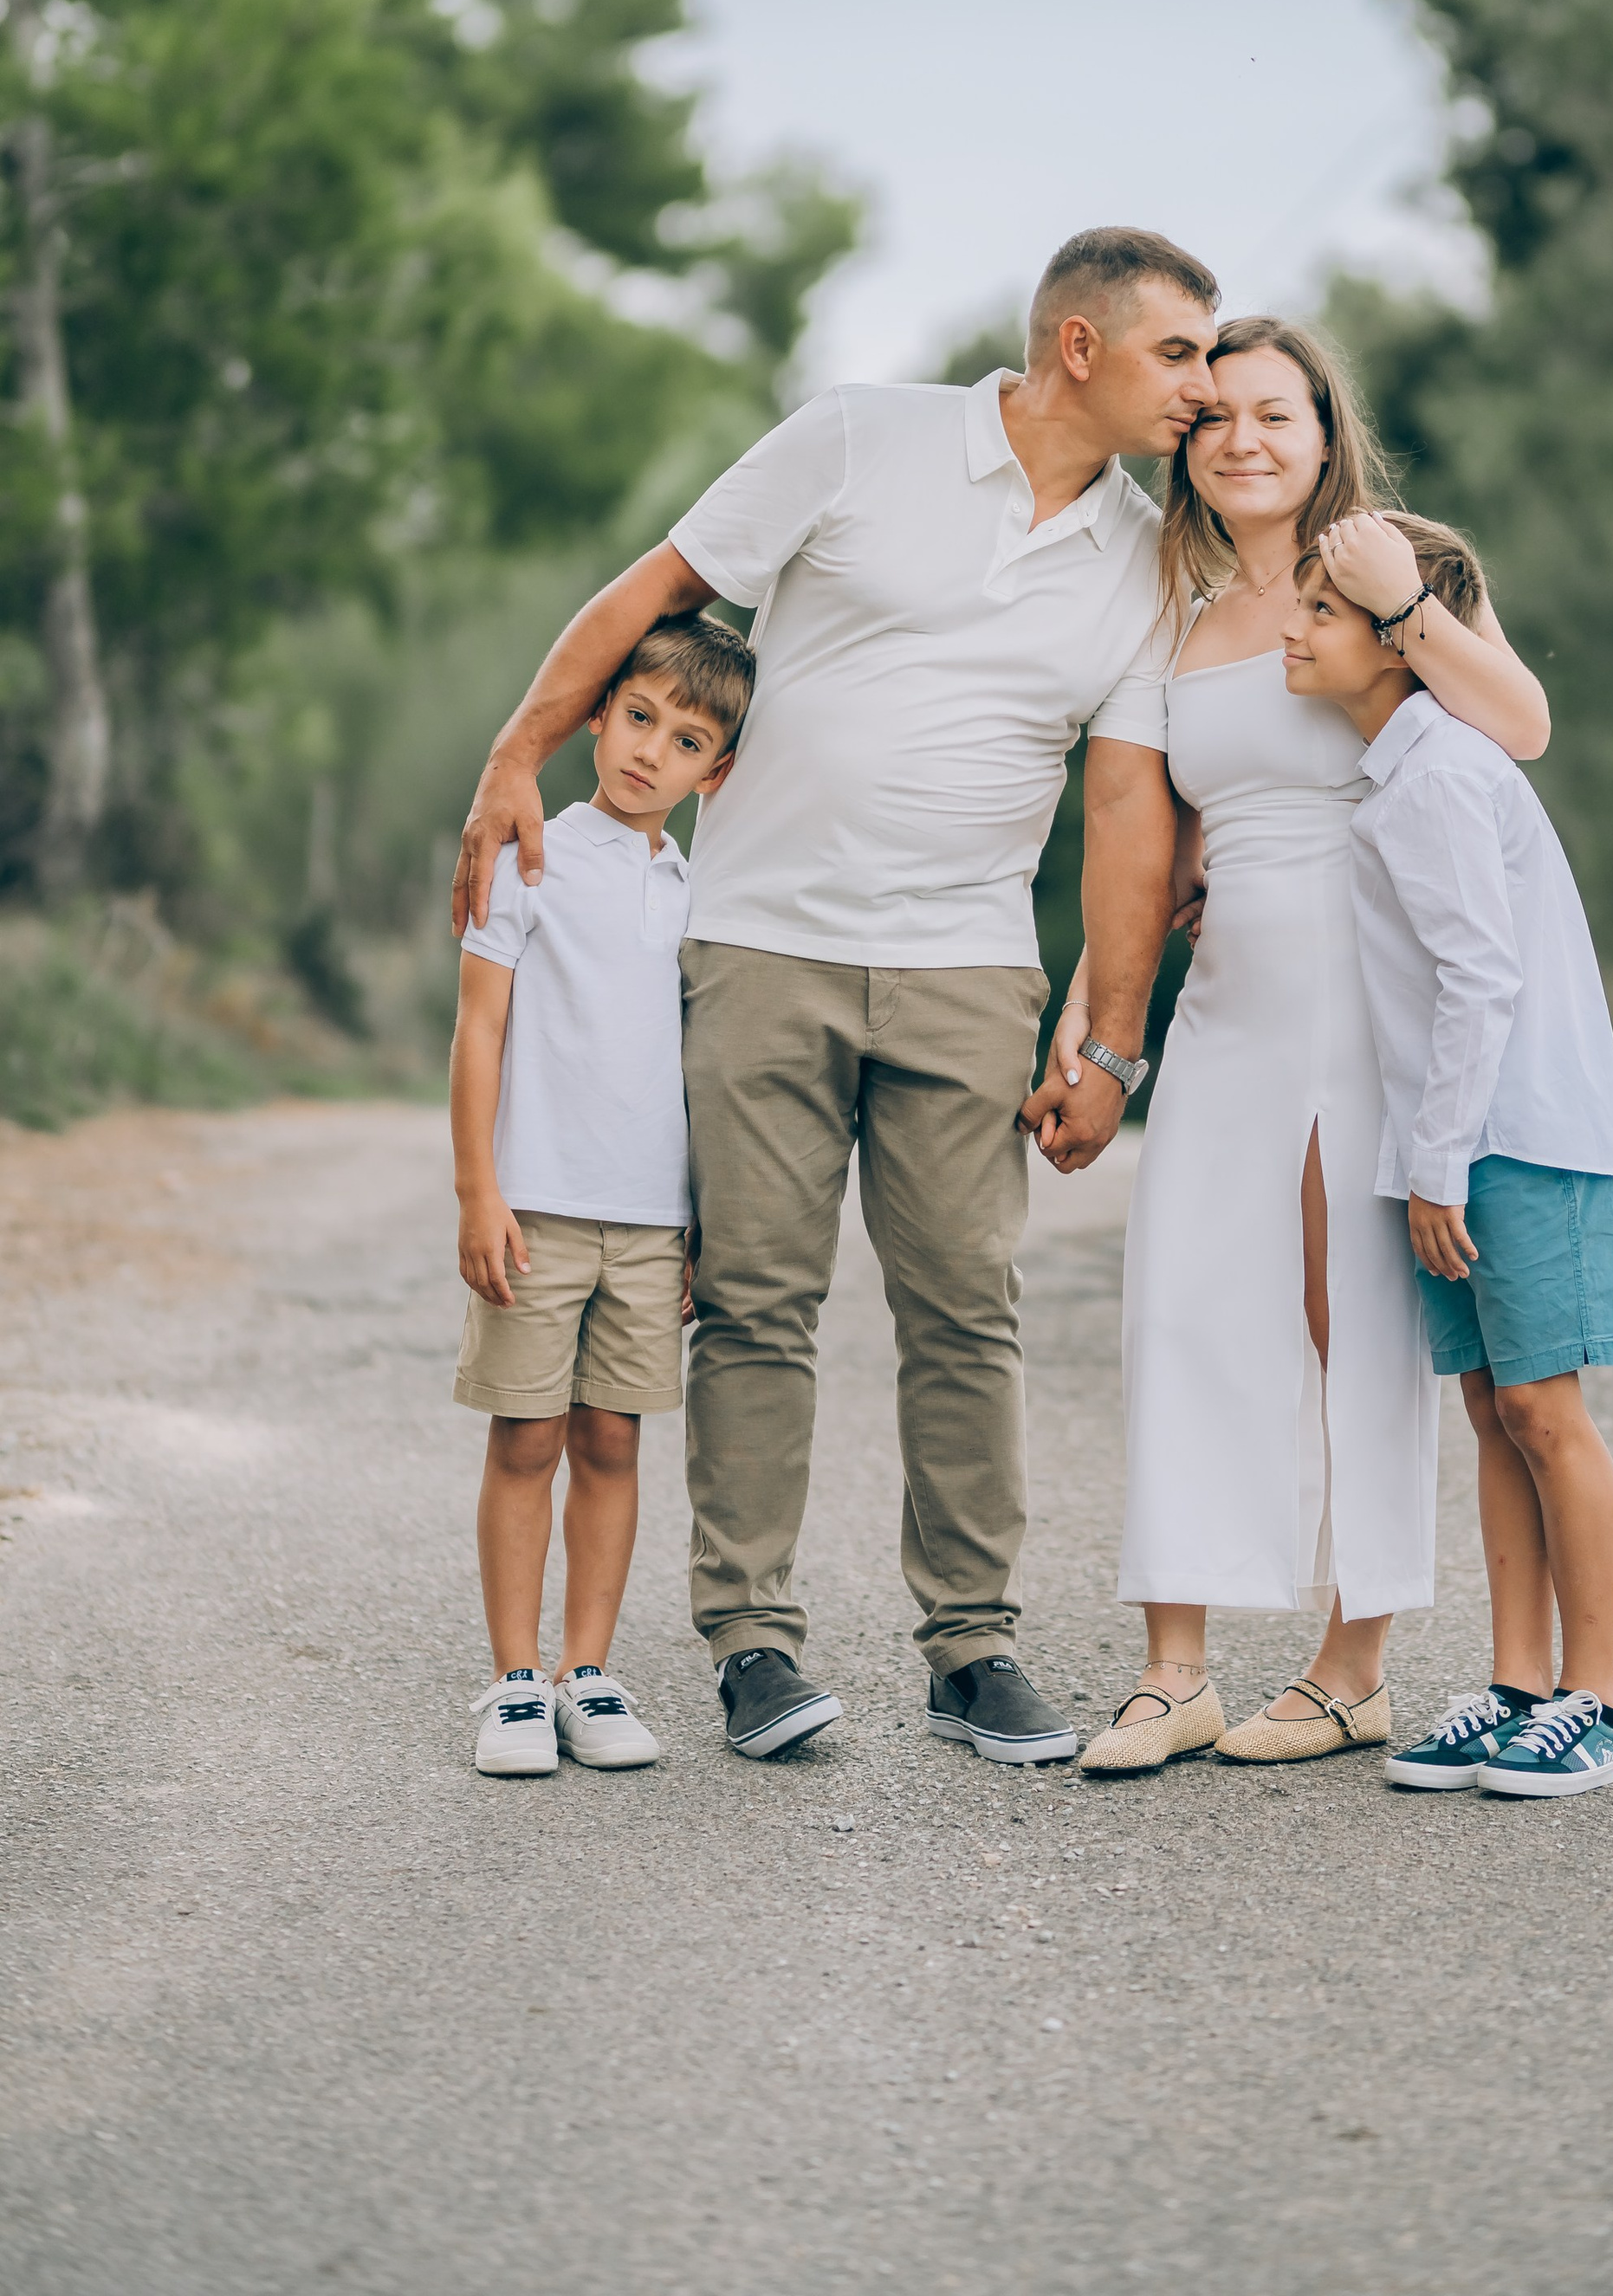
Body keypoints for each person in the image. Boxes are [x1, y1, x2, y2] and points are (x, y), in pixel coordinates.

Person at [453, 227, 1219, 1767]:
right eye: (1178, 356)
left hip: (969, 970)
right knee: (752, 1306)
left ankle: (975, 1646)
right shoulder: (861, 436)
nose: (1201, 390)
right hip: (760, 944)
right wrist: (512, 754)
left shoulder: (1148, 556)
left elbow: (1130, 808)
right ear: (1081, 346)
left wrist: (1118, 1042)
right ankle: (750, 1642)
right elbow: (654, 587)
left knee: (967, 1311)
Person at [1037, 319, 1553, 1778]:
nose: (1243, 440)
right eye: (1215, 419)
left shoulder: (1398, 568)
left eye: (1277, 413)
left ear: (1328, 432)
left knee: (1358, 1330)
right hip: (1231, 1009)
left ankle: (1351, 1665)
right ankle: (1173, 1670)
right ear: (1188, 448)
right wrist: (1092, 1019)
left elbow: (1518, 725)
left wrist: (1404, 612)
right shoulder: (1176, 609)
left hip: (1377, 1002)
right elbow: (1156, 848)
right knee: (1185, 1310)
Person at [1282, 521, 1613, 1799]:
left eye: (1322, 611)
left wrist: (1433, 1164)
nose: (1293, 627)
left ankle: (1596, 1705)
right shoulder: (1405, 766)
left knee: (1546, 1412)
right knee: (1495, 1414)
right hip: (1463, 1139)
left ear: (1394, 642)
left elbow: (1479, 980)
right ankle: (1516, 1687)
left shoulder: (1438, 771)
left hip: (1516, 1135)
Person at [451, 615, 755, 1777]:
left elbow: (693, 1066)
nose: (648, 753)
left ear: (712, 773)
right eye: (637, 718)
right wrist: (480, 1192)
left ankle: (590, 1673)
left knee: (614, 1442)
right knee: (526, 1436)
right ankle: (515, 1681)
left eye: (684, 741)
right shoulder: (528, 849)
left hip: (645, 1222)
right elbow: (479, 1035)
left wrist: (688, 1227)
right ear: (596, 714)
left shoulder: (694, 890)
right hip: (535, 1205)